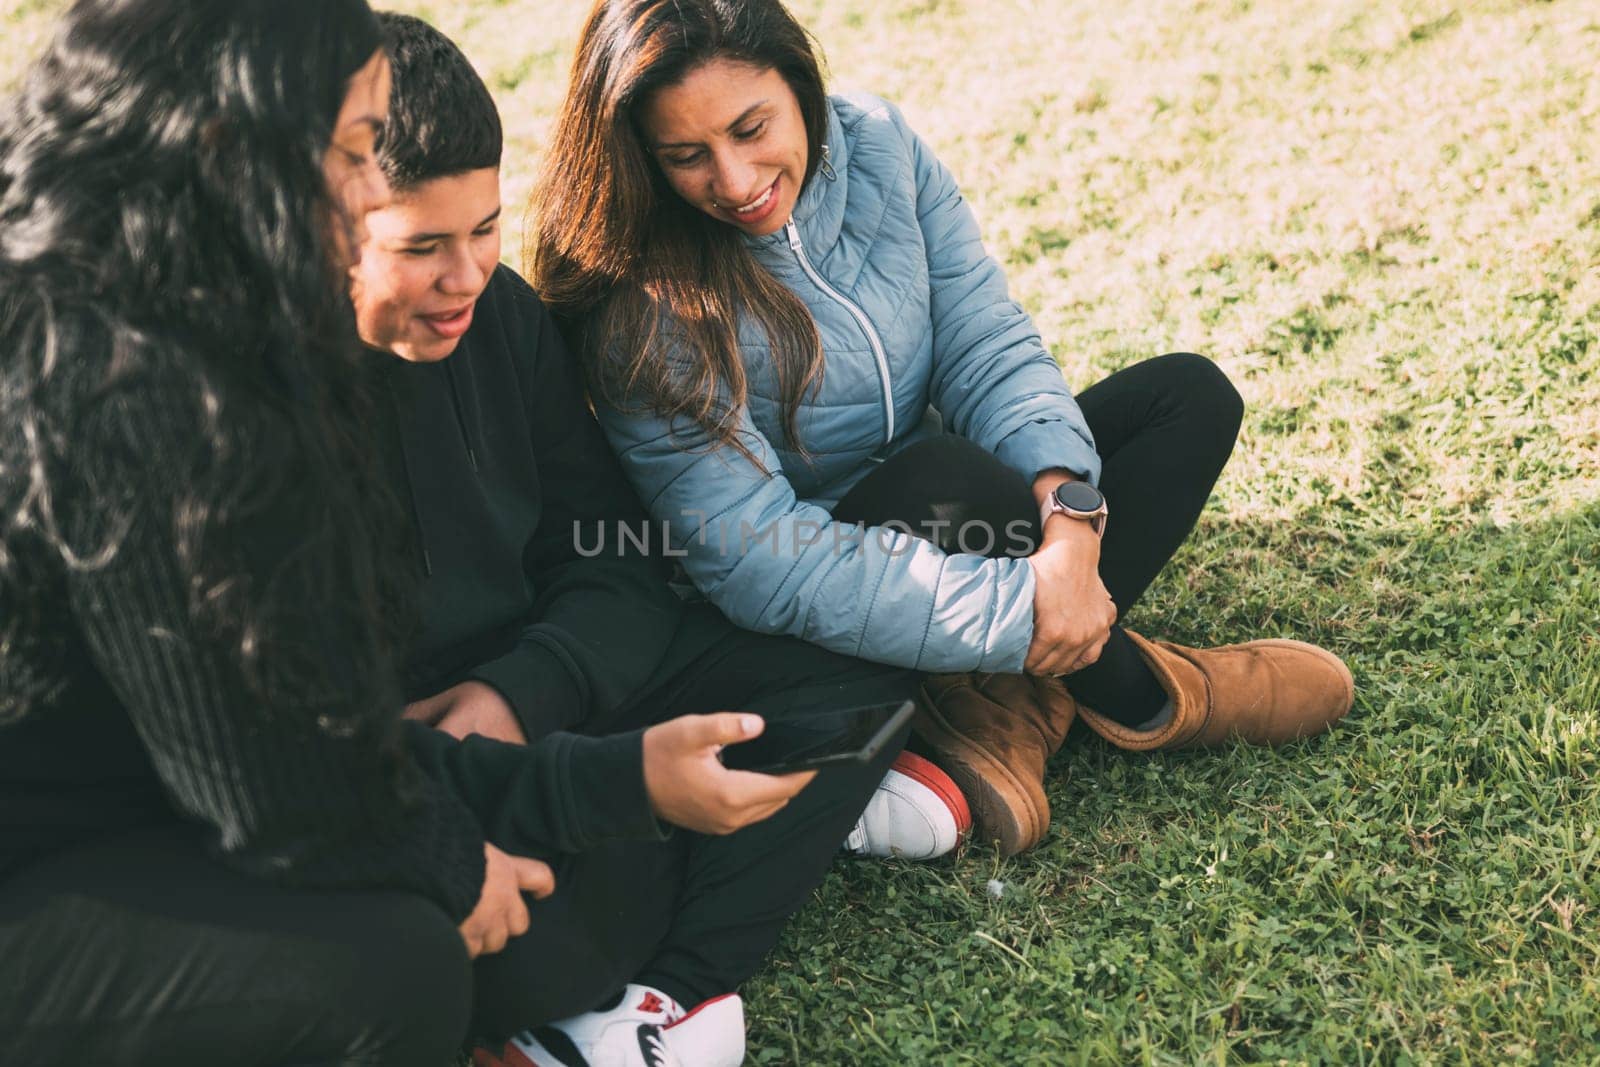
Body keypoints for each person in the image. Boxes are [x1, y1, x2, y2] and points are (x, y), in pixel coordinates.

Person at [0, 3, 840, 1064]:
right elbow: (264, 775)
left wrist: (545, 721)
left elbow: (601, 563)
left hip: (310, 770)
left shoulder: (187, 308)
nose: (367, 193)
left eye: (482, 229)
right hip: (114, 840)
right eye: (356, 153)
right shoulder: (137, 378)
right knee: (400, 962)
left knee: (785, 683)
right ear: (232, 143)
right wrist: (487, 840)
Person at [532, 0, 1356, 859]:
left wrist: (1070, 528)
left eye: (751, 128)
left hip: (966, 515)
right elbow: (759, 559)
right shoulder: (640, 302)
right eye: (687, 157)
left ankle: (1005, 710)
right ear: (641, 159)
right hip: (812, 596)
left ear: (798, 83)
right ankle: (1150, 694)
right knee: (946, 477)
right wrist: (1021, 609)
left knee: (1186, 401)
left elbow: (985, 342)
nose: (736, 181)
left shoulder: (881, 144)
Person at [349, 15, 937, 1064]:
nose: (467, 275)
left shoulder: (502, 316)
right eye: (423, 247)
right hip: (411, 781)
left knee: (862, 654)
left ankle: (671, 973)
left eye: (484, 228)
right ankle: (703, 881)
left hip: (562, 698)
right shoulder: (245, 417)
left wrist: (524, 692)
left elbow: (613, 556)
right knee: (535, 947)